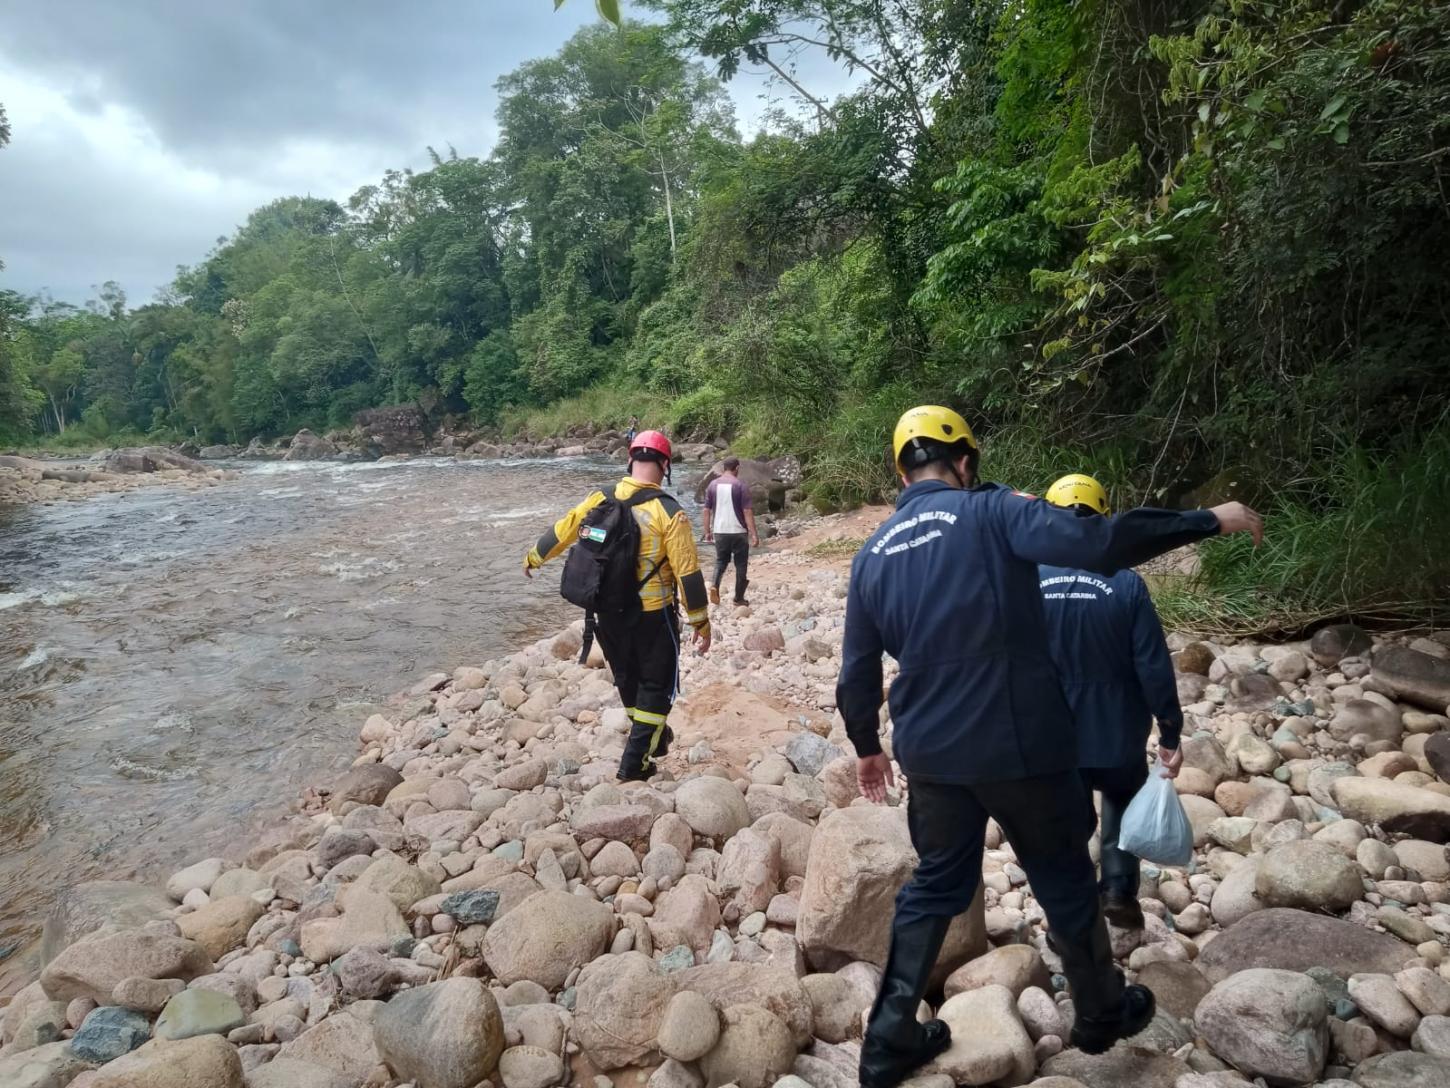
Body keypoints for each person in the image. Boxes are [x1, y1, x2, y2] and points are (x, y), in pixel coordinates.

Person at [837, 406, 1263, 1088]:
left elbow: (857, 669)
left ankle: (889, 1035)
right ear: (965, 461)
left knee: (936, 887)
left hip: (930, 753)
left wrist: (866, 742)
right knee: (1063, 873)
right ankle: (1098, 1012)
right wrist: (1206, 518)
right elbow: (1100, 543)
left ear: (902, 470)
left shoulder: (873, 553)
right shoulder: (993, 511)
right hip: (1022, 744)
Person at [1039, 473, 1185, 931]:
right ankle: (1119, 891)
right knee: (1122, 796)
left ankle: (1073, 903)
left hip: (1054, 731)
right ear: (1102, 518)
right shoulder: (1125, 583)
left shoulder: (1028, 581)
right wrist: (1170, 730)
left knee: (1066, 817)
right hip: (1117, 726)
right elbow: (1152, 664)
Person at [524, 430, 711, 781]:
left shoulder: (599, 497)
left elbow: (563, 530)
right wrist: (701, 621)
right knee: (658, 686)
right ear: (665, 465)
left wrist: (534, 556)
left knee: (627, 678)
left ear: (630, 459)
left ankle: (652, 741)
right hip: (653, 615)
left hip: (607, 611)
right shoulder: (669, 511)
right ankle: (634, 764)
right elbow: (688, 573)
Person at [703, 457, 760, 606]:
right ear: (737, 468)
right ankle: (738, 598)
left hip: (719, 531)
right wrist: (754, 534)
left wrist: (707, 531)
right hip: (739, 531)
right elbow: (747, 511)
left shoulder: (712, 485)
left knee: (721, 561)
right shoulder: (740, 485)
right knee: (741, 564)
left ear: (723, 468)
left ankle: (715, 585)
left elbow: (706, 510)